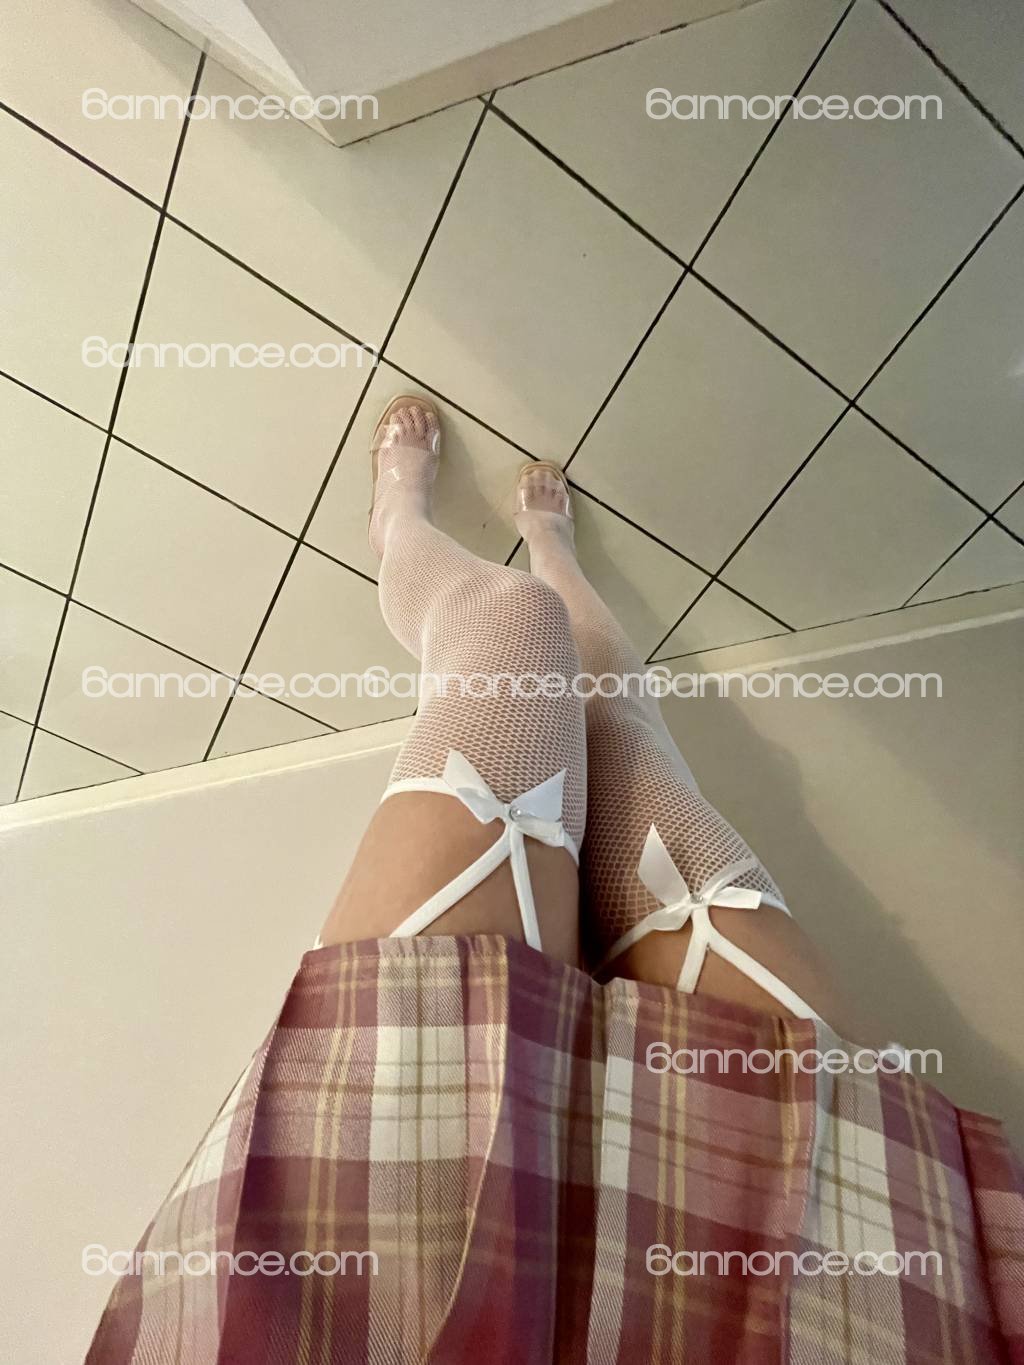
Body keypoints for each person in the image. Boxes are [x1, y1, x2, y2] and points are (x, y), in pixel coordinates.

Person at [87, 397, 1022, 1364]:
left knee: (511, 622)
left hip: (385, 1256)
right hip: (846, 1287)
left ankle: (404, 529)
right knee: (624, 743)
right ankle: (554, 553)